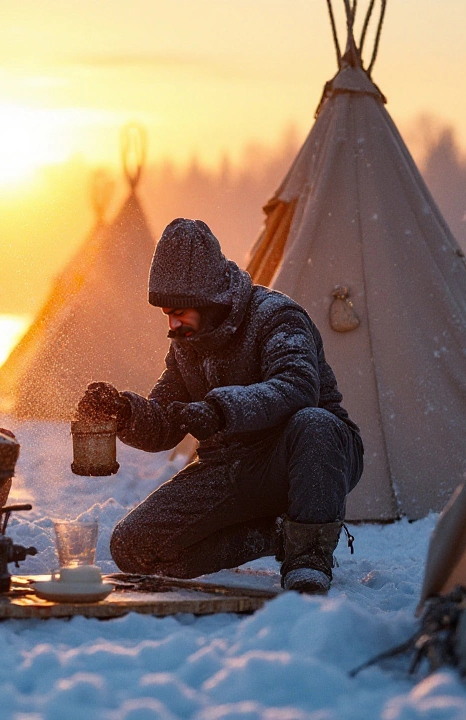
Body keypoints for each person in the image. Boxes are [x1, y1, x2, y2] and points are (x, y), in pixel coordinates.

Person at [79, 219, 364, 594]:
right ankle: (273, 537)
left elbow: (297, 387)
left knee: (314, 423)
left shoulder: (277, 317)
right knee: (134, 547)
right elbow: (166, 420)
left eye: (180, 310)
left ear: (210, 299)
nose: (172, 322)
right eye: (167, 311)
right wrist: (124, 413)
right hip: (230, 466)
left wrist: (221, 410)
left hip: (300, 456)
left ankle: (308, 557)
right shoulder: (185, 342)